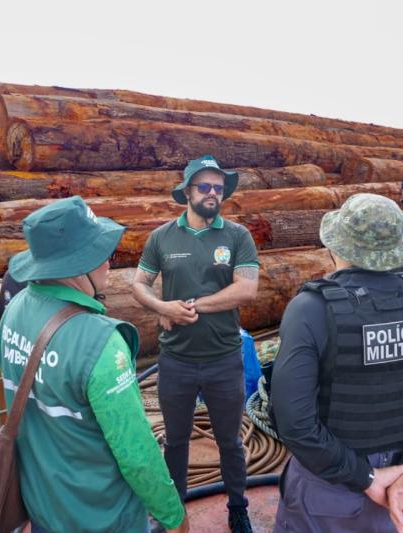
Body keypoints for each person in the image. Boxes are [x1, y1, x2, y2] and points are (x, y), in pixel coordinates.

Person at [271, 193, 403, 533]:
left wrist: (367, 478)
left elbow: (294, 422)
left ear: (336, 247)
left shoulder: (311, 308)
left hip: (330, 489)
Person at [0, 196, 188, 533]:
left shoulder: (14, 311)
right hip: (103, 518)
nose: (108, 265)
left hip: (43, 509)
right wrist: (173, 516)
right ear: (76, 265)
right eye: (104, 255)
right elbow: (137, 453)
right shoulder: (99, 342)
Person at [132, 155, 259, 533]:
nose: (212, 193)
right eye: (204, 187)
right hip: (177, 361)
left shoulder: (237, 236)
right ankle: (175, 512)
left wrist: (191, 306)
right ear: (187, 191)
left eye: (218, 188)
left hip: (223, 359)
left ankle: (238, 508)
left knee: (230, 442)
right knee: (175, 442)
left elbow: (247, 288)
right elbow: (139, 284)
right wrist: (160, 306)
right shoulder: (162, 237)